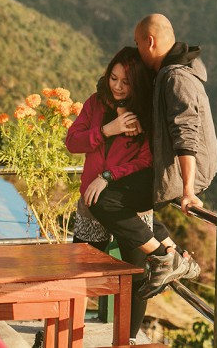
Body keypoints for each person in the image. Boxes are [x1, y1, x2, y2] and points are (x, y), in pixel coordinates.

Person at [65, 46, 156, 339]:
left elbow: (146, 161)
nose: (117, 86)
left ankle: (126, 340)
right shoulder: (95, 103)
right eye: (113, 78)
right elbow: (73, 142)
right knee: (77, 276)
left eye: (125, 81)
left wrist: (108, 177)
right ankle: (65, 336)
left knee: (136, 279)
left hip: (131, 207)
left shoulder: (145, 115)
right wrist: (108, 130)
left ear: (136, 83)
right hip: (91, 206)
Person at [132, 13, 217, 298]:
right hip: (176, 167)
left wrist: (187, 190)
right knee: (127, 199)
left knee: (114, 201)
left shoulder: (176, 77)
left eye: (138, 43)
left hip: (187, 171)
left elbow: (186, 133)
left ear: (151, 41)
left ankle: (172, 258)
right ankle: (173, 254)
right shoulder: (167, 73)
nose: (137, 49)